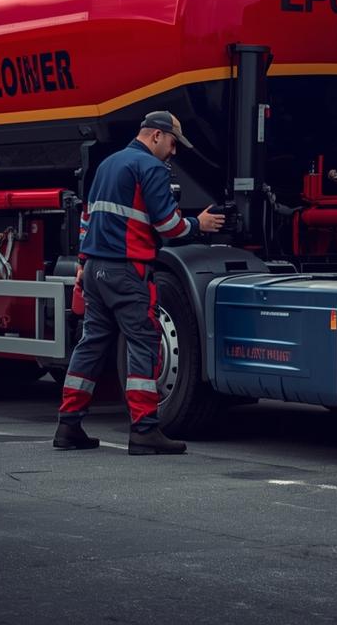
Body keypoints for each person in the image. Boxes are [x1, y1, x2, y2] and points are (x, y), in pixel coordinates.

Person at [53, 110, 225, 454]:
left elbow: (88, 219)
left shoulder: (107, 164)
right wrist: (199, 225)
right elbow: (168, 226)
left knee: (90, 345)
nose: (174, 152)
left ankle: (68, 426)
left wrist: (84, 264)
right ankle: (144, 430)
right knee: (144, 343)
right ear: (157, 136)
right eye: (173, 144)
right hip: (127, 272)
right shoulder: (151, 168)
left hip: (96, 270)